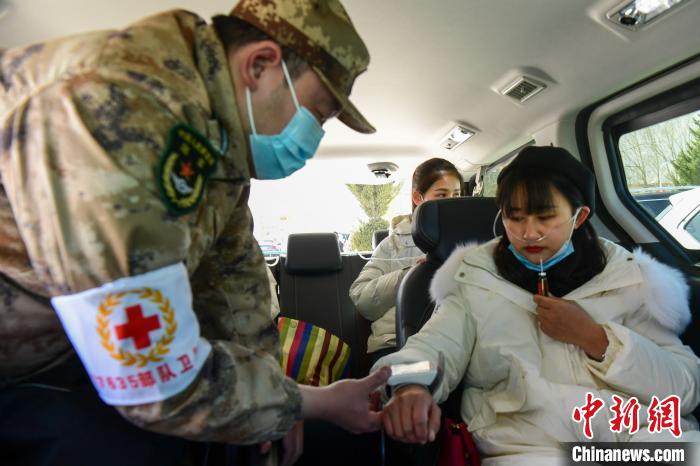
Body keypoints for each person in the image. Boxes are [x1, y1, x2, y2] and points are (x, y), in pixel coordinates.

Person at [0, 1, 391, 465]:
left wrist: (277, 401)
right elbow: (149, 375)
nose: (314, 136)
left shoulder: (218, 145)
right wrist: (301, 402)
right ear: (259, 65)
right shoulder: (114, 107)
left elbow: (235, 288)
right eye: (318, 114)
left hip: (62, 355)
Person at [375, 146, 700, 465]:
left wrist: (597, 340)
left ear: (580, 216)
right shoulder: (474, 279)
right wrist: (408, 387)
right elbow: (430, 347)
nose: (529, 233)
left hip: (641, 436)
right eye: (514, 218)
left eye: (545, 217)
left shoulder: (628, 277)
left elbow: (685, 388)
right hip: (529, 448)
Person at [350, 158, 463, 362]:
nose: (451, 202)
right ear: (417, 197)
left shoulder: (472, 241)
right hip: (397, 343)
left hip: (456, 341)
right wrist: (409, 275)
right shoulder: (392, 245)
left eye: (456, 194)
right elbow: (362, 299)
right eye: (441, 195)